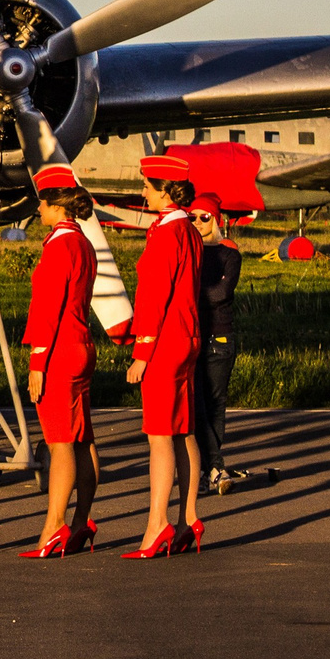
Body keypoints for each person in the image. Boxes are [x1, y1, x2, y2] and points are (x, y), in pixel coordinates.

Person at [124, 155, 205, 558]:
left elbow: (154, 296)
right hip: (187, 338)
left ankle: (157, 524)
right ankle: (188, 517)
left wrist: (142, 352)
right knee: (183, 431)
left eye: (147, 186)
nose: (142, 192)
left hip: (164, 343)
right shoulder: (188, 230)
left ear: (166, 191)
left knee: (160, 436)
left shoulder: (165, 234)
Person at [20, 164, 99, 557]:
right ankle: (82, 521)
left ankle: (54, 525)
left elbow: (47, 308)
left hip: (59, 349)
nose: (38, 210)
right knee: (82, 439)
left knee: (60, 442)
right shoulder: (82, 241)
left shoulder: (58, 244)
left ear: (55, 205)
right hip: (81, 343)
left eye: (41, 203)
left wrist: (37, 360)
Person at [189, 193, 249, 492]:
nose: (198, 222)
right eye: (193, 217)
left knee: (215, 405)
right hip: (192, 336)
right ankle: (214, 468)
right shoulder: (187, 250)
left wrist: (190, 296)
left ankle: (208, 470)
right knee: (197, 406)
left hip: (220, 337)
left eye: (204, 217)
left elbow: (221, 293)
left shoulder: (229, 253)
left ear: (216, 220)